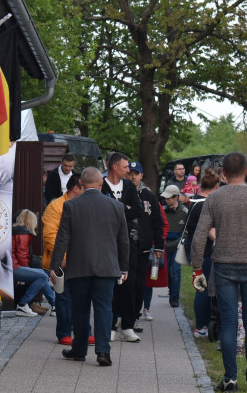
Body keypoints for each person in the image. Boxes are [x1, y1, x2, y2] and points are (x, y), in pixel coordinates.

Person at [191, 153, 247, 393]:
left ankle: (230, 378)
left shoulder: (214, 198)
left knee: (229, 322)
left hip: (223, 265)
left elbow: (200, 235)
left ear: (223, 174)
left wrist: (197, 268)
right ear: (246, 172)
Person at [50, 167, 129, 366]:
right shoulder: (116, 206)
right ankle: (103, 352)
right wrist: (124, 267)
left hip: (79, 267)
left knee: (80, 309)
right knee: (104, 309)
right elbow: (123, 241)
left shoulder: (71, 206)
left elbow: (62, 239)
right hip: (107, 267)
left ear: (82, 184)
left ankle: (79, 350)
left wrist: (55, 266)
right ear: (101, 183)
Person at [101, 151, 143, 342]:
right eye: (126, 167)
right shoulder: (101, 186)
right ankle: (109, 325)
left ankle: (127, 325)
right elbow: (100, 211)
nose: (129, 171)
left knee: (129, 283)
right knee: (109, 285)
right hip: (106, 242)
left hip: (127, 242)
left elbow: (137, 210)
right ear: (115, 167)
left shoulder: (128, 186)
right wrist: (122, 208)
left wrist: (119, 209)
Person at [43, 175, 83, 344]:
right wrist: (63, 258)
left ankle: (82, 331)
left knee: (82, 296)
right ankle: (65, 332)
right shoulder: (56, 206)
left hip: (82, 259)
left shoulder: (83, 204)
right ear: (76, 188)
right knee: (64, 296)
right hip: (63, 260)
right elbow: (51, 235)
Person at [182, 169, 220, 337]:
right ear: (216, 186)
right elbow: (211, 232)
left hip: (195, 247)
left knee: (201, 286)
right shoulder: (206, 204)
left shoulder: (195, 201)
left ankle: (202, 325)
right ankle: (201, 326)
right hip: (204, 250)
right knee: (204, 288)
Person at [128, 162, 166, 320]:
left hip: (143, 245)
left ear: (141, 175)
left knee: (139, 282)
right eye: (130, 173)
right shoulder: (123, 193)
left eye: (136, 173)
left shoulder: (149, 196)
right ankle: (122, 316)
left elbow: (158, 222)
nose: (133, 176)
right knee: (125, 282)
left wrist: (158, 246)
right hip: (126, 245)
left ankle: (135, 315)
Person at [12, 209, 56, 317]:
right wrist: (28, 270)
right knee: (42, 275)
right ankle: (22, 304)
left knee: (42, 275)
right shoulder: (23, 233)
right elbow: (22, 254)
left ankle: (55, 305)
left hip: (12, 266)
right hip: (15, 267)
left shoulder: (17, 230)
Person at [159, 184, 188, 314]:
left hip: (177, 245)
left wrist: (179, 242)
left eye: (169, 198)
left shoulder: (185, 212)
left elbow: (186, 231)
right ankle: (171, 289)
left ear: (176, 197)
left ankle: (175, 297)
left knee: (176, 270)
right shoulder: (163, 211)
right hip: (165, 244)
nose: (166, 200)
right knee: (167, 270)